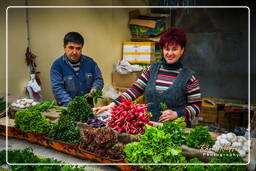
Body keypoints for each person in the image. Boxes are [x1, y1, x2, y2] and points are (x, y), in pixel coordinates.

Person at [94, 27, 201, 127]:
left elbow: (196, 107)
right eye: (166, 49)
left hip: (176, 129)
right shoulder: (151, 69)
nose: (169, 53)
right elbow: (134, 90)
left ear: (182, 50)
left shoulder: (189, 78)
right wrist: (113, 105)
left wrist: (177, 114)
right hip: (149, 127)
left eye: (174, 49)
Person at [50, 32, 104, 107]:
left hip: (88, 107)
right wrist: (72, 105)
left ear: (82, 48)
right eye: (71, 48)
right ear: (65, 48)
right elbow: (57, 88)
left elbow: (98, 79)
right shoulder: (57, 65)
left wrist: (95, 88)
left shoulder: (90, 62)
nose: (74, 52)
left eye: (78, 48)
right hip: (67, 109)